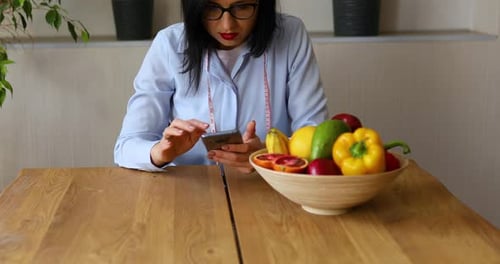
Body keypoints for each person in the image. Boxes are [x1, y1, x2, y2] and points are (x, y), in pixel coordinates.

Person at [114, 0, 328, 173]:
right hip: (190, 196)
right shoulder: (169, 44)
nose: (227, 25)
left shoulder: (290, 35)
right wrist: (160, 153)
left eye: (242, 6)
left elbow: (318, 138)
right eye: (211, 7)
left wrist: (268, 153)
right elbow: (126, 147)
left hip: (269, 191)